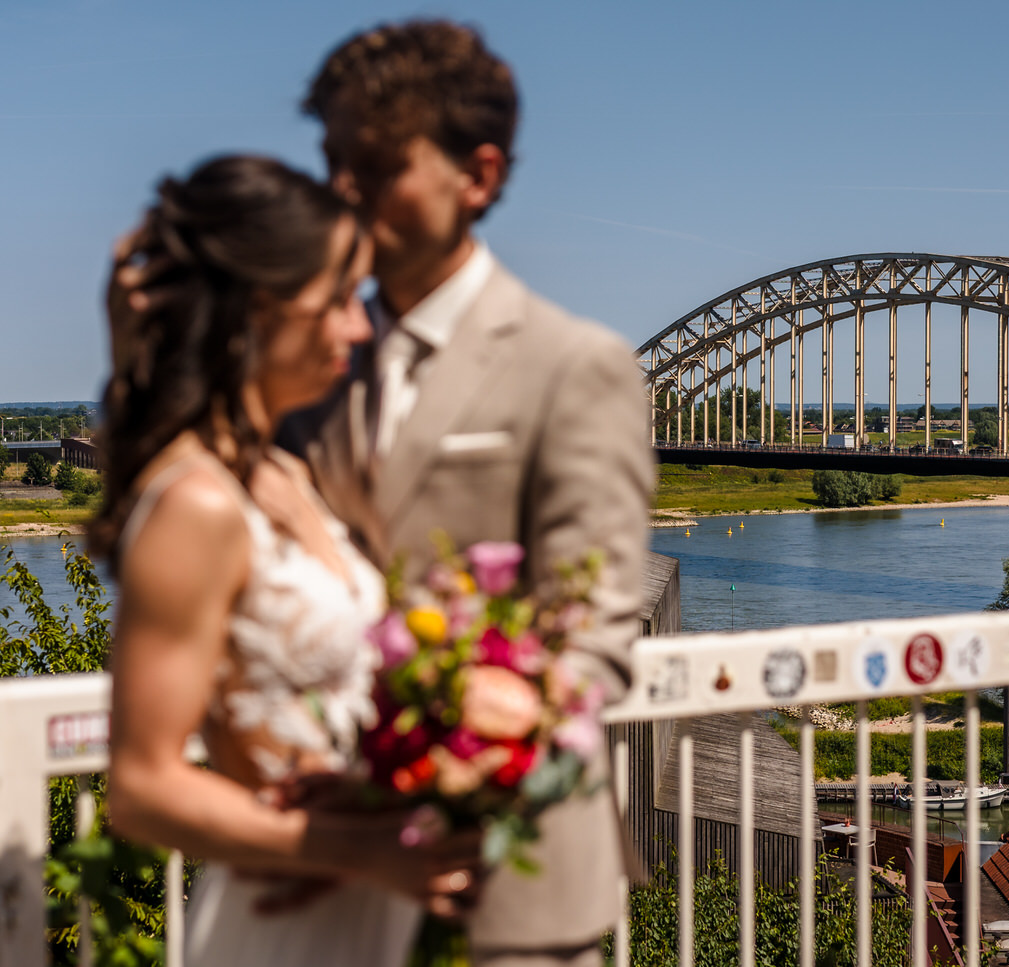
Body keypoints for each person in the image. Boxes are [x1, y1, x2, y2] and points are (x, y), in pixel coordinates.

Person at [287, 20, 653, 966]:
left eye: (373, 162)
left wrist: (472, 755)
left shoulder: (575, 366)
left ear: (478, 177)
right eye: (331, 160)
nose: (341, 190)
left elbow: (597, 634)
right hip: (329, 866)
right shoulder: (312, 371)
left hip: (508, 881)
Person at [97, 155, 483, 967]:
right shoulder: (196, 503)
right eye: (338, 299)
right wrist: (351, 850)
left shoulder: (286, 474)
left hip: (368, 905)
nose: (359, 326)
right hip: (282, 922)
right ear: (257, 313)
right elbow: (141, 787)